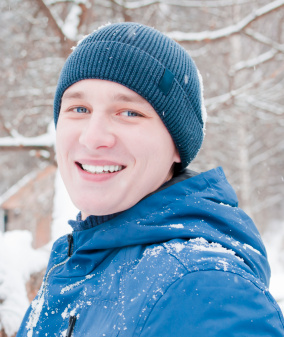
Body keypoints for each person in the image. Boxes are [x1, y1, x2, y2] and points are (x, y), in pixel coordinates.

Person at [16, 22, 284, 337]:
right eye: (78, 108)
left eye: (129, 113)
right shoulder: (80, 264)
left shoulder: (203, 287)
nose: (93, 137)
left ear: (176, 145)